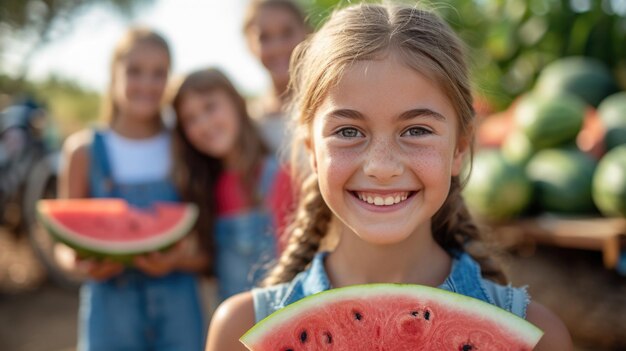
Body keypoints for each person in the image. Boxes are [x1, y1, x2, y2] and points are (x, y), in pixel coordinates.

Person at [206, 4, 573, 351]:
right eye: (349, 132)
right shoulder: (239, 332)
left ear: (460, 148)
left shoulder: (538, 338)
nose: (382, 166)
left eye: (416, 130)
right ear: (311, 152)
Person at [58, 28, 206, 351]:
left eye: (159, 73)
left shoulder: (185, 145)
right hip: (110, 316)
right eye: (135, 71)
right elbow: (65, 246)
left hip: (179, 314)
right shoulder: (83, 151)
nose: (147, 83)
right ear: (113, 75)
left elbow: (208, 245)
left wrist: (177, 260)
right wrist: (82, 264)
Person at [170, 68, 293, 302]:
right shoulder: (203, 188)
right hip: (234, 331)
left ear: (237, 102)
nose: (204, 124)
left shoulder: (280, 174)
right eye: (190, 119)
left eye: (210, 107)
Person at [243, 0, 308, 154]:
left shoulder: (331, 101)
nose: (277, 47)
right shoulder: (250, 121)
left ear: (306, 32)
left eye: (287, 33)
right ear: (250, 45)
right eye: (264, 38)